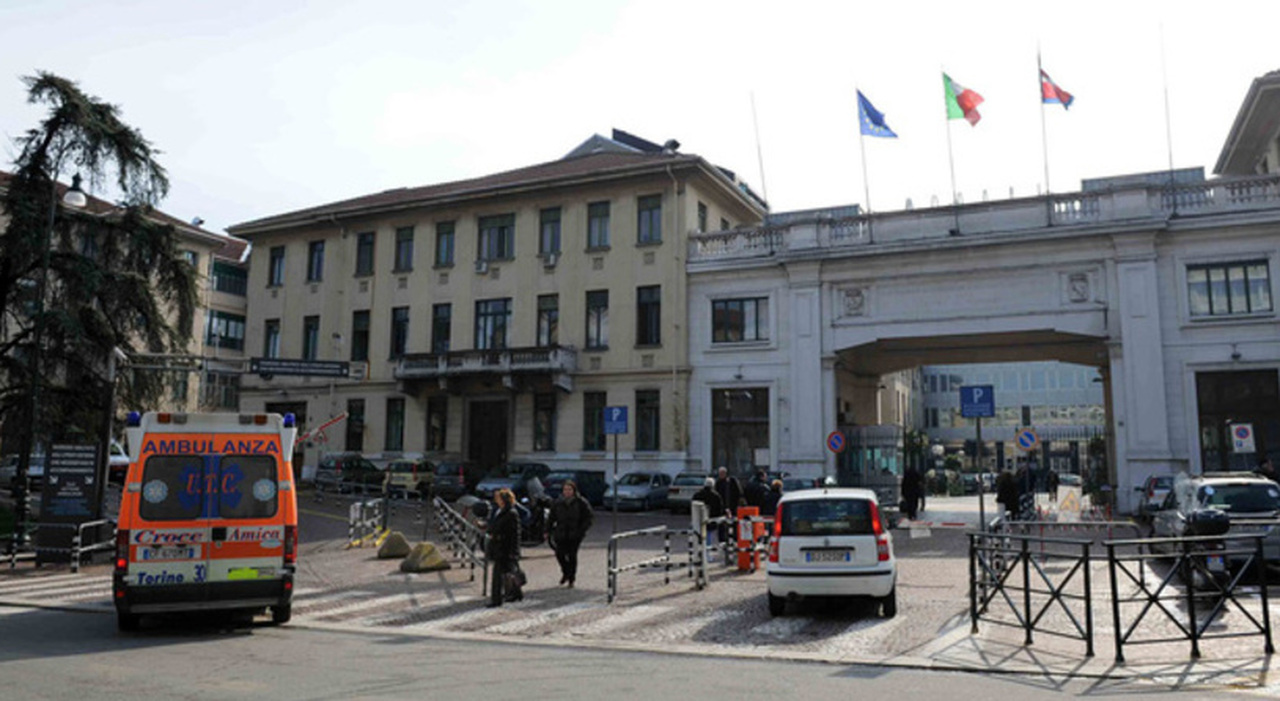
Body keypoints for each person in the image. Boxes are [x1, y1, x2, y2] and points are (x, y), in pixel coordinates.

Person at [547, 479, 594, 588]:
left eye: (569, 489)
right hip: (561, 532)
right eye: (565, 489)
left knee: (572, 555)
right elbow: (551, 517)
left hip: (575, 533)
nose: (567, 492)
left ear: (574, 490)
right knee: (559, 554)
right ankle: (566, 572)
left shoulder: (581, 502)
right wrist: (547, 530)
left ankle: (571, 578)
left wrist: (581, 530)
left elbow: (589, 517)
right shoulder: (558, 502)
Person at [485, 488, 522, 607]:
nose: (497, 500)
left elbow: (515, 534)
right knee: (509, 572)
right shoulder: (498, 511)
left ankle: (496, 599)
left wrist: (514, 551)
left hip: (505, 548)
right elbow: (494, 525)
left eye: (499, 498)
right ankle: (516, 593)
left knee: (498, 575)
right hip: (498, 546)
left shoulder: (511, 513)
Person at [692, 477, 723, 560]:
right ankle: (707, 556)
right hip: (710, 520)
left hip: (698, 519)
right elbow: (719, 509)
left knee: (698, 537)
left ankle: (697, 555)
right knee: (708, 538)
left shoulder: (697, 494)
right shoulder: (716, 496)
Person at [715, 467, 742, 546]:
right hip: (722, 507)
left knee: (734, 522)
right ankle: (723, 540)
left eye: (722, 473)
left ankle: (735, 539)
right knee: (722, 523)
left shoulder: (732, 481)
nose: (721, 475)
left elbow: (738, 492)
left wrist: (737, 503)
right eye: (720, 474)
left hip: (733, 506)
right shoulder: (718, 483)